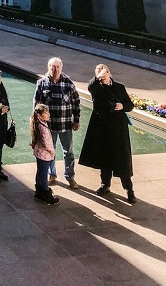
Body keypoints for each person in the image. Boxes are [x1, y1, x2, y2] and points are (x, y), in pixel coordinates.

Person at [79, 63, 136, 203]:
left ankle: (129, 189)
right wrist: (97, 78)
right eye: (99, 74)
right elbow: (90, 86)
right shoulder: (97, 88)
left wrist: (122, 106)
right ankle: (105, 185)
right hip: (103, 128)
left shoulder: (119, 87)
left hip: (118, 129)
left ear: (109, 73)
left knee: (122, 160)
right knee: (104, 158)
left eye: (104, 73)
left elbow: (130, 105)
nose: (102, 77)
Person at [33, 57, 80, 189]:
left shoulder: (69, 83)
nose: (55, 70)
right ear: (48, 67)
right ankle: (52, 175)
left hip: (66, 124)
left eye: (57, 67)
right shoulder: (41, 83)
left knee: (69, 152)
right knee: (49, 151)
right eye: (52, 67)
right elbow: (36, 104)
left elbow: (76, 103)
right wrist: (36, 123)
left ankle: (70, 176)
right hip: (48, 126)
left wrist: (76, 120)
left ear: (61, 68)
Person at [30, 103, 60, 205]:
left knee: (39, 172)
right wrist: (52, 152)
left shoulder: (37, 123)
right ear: (40, 115)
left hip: (39, 153)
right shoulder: (42, 127)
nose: (48, 115)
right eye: (46, 113)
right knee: (43, 175)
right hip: (45, 154)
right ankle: (46, 194)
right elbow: (47, 142)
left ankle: (38, 192)